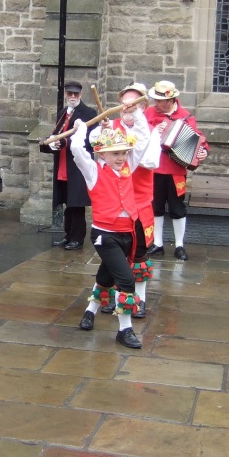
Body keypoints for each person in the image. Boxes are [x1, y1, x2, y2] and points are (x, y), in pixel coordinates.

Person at [70, 106, 151, 349]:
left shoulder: (128, 168)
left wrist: (136, 113)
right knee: (126, 279)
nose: (120, 158)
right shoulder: (94, 172)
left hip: (128, 233)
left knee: (106, 275)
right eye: (115, 153)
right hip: (105, 234)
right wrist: (82, 129)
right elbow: (76, 150)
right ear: (102, 154)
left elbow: (144, 139)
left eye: (123, 153)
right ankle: (124, 330)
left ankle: (89, 311)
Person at [90, 83, 161, 317]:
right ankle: (113, 297)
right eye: (124, 104)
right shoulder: (110, 129)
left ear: (141, 108)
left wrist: (121, 146)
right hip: (113, 207)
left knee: (139, 255)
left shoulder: (150, 132)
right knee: (114, 257)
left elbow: (148, 160)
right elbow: (95, 146)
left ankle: (138, 300)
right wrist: (106, 134)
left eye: (133, 105)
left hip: (138, 203)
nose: (127, 109)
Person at [144, 80, 209, 261]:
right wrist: (154, 131)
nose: (155, 103)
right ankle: (157, 243)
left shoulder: (186, 117)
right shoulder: (148, 114)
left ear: (171, 100)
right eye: (155, 99)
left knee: (177, 208)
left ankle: (179, 245)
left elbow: (199, 140)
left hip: (175, 171)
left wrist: (204, 151)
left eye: (159, 100)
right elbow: (139, 135)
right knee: (155, 206)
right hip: (154, 169)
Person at [39, 81, 96, 250]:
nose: (72, 97)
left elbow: (91, 139)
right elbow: (57, 134)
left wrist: (64, 142)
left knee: (76, 203)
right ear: (65, 94)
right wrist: (49, 142)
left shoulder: (89, 113)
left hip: (78, 165)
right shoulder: (63, 112)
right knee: (66, 201)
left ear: (80, 94)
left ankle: (78, 238)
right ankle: (68, 234)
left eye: (75, 94)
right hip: (63, 163)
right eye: (69, 93)